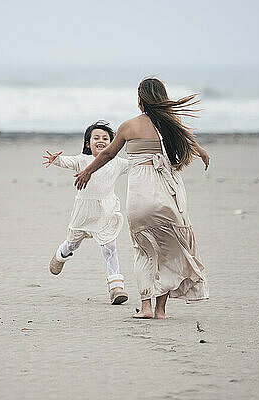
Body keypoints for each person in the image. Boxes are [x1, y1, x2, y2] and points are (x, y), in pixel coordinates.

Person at [74, 78, 210, 318]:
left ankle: (145, 306)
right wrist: (201, 152)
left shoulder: (128, 126)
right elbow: (189, 141)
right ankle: (161, 310)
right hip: (168, 196)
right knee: (169, 252)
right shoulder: (172, 126)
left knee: (144, 250)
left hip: (139, 199)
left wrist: (87, 171)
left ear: (139, 101)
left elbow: (107, 153)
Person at [43, 120, 130, 305]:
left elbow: (136, 164)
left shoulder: (117, 163)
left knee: (110, 248)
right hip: (83, 212)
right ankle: (61, 254)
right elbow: (68, 161)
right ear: (88, 143)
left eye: (105, 138)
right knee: (74, 243)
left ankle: (116, 288)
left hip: (106, 211)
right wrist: (56, 159)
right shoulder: (83, 160)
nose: (101, 140)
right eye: (96, 138)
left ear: (113, 144)